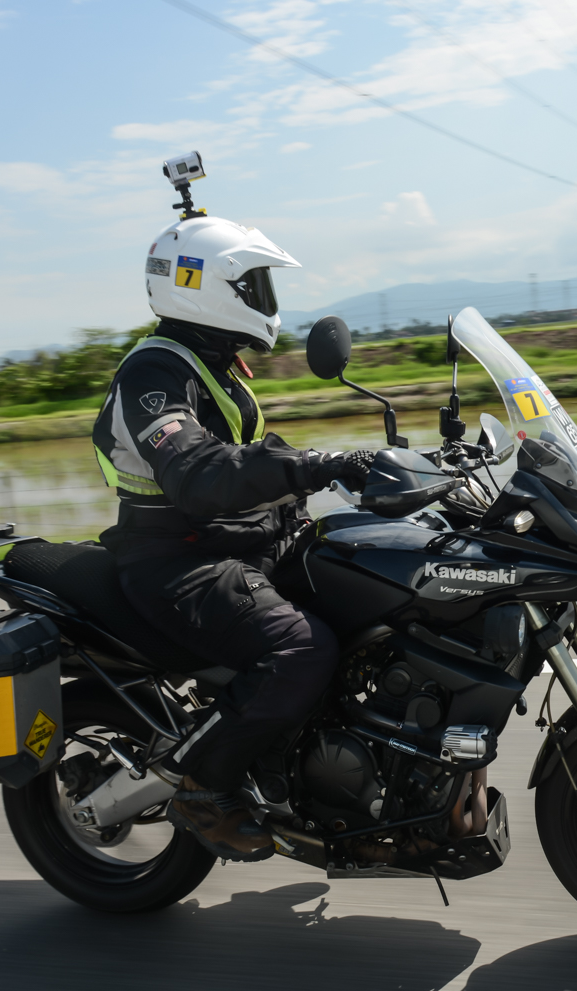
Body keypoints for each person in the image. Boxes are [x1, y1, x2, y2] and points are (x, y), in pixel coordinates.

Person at [92, 211, 374, 861]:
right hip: (177, 558)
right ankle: (201, 786)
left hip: (242, 540)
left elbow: (247, 460)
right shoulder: (153, 377)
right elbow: (198, 473)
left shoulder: (210, 364)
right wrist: (317, 464)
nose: (265, 301)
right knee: (299, 650)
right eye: (254, 285)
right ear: (205, 286)